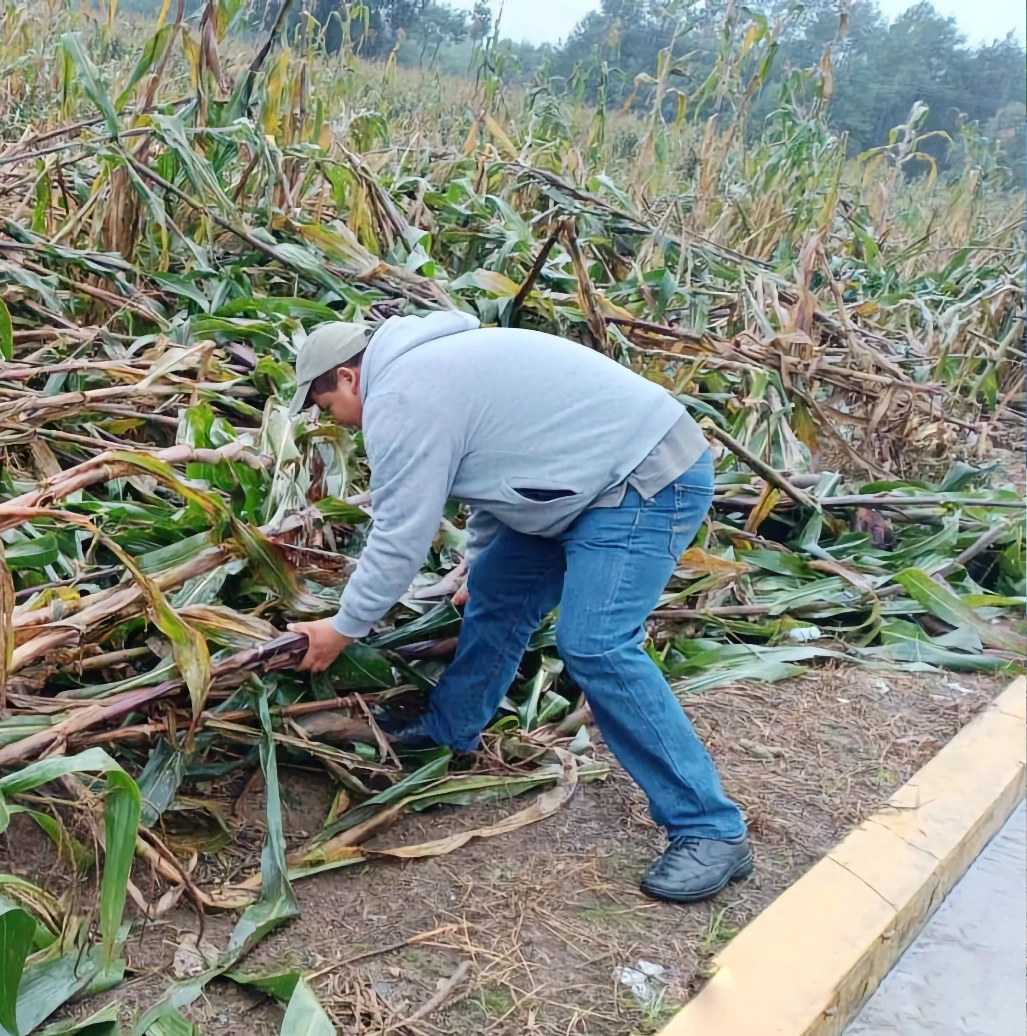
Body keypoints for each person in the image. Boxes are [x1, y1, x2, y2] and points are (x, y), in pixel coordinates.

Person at [287, 311, 751, 904]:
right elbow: (492, 473)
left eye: (327, 406)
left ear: (349, 377)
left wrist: (343, 627)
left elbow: (401, 534)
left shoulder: (400, 395)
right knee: (498, 594)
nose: (337, 422)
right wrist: (480, 567)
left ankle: (710, 829)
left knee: (597, 645)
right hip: (582, 483)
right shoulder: (430, 370)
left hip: (642, 479)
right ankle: (449, 730)